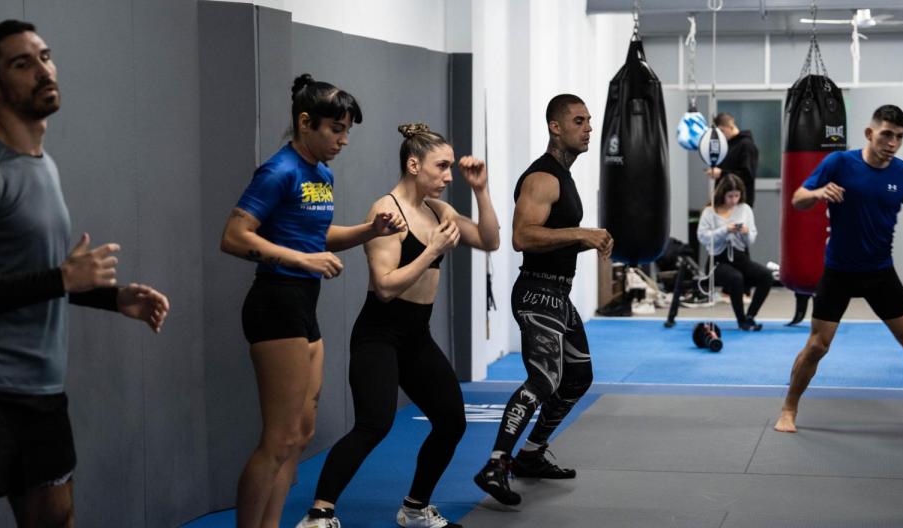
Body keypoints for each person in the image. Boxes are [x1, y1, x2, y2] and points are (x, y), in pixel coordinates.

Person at [0, 19, 170, 528]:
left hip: (42, 391)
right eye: (22, 63)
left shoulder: (43, 165)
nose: (42, 70)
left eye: (45, 56)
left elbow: (37, 275)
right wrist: (60, 281)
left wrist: (112, 297)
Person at [220, 74, 406, 528]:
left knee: (301, 434)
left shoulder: (322, 175)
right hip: (275, 302)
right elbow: (234, 236)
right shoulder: (278, 171)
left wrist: (368, 231)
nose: (343, 140)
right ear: (306, 123)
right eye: (336, 130)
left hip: (304, 304)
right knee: (278, 438)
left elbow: (316, 235)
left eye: (348, 132)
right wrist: (300, 260)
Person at [300, 123, 499, 528]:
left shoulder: (437, 210)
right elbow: (386, 286)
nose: (448, 176)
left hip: (416, 335)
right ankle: (319, 512)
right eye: (441, 167)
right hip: (380, 332)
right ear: (413, 164)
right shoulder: (386, 212)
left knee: (451, 421)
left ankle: (415, 507)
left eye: (450, 168)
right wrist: (433, 250)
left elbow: (490, 239)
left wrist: (480, 189)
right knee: (374, 423)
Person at [774, 104, 903, 433]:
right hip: (838, 270)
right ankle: (789, 408)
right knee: (817, 345)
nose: (892, 143)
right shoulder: (839, 163)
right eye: (886, 135)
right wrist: (817, 192)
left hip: (879, 271)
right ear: (870, 133)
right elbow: (798, 198)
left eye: (899, 137)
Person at [473, 94, 612, 506]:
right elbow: (523, 237)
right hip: (536, 292)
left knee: (577, 378)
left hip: (557, 294)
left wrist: (591, 240)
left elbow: (554, 236)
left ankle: (531, 454)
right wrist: (581, 233)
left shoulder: (563, 178)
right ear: (555, 126)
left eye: (589, 121)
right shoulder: (543, 178)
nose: (588, 128)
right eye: (579, 120)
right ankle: (496, 464)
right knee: (544, 379)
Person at [697, 173, 772, 330]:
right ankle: (741, 320)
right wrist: (725, 230)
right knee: (735, 278)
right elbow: (703, 237)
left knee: (766, 276)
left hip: (740, 258)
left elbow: (751, 239)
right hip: (717, 261)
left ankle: (750, 315)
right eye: (730, 196)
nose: (733, 200)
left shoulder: (745, 209)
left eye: (737, 196)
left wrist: (744, 233)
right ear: (722, 194)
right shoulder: (710, 211)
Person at [706, 112, 759, 207]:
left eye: (722, 131)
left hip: (739, 203)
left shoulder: (746, 146)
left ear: (731, 126)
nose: (720, 135)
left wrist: (721, 173)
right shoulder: (727, 146)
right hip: (723, 202)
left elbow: (747, 175)